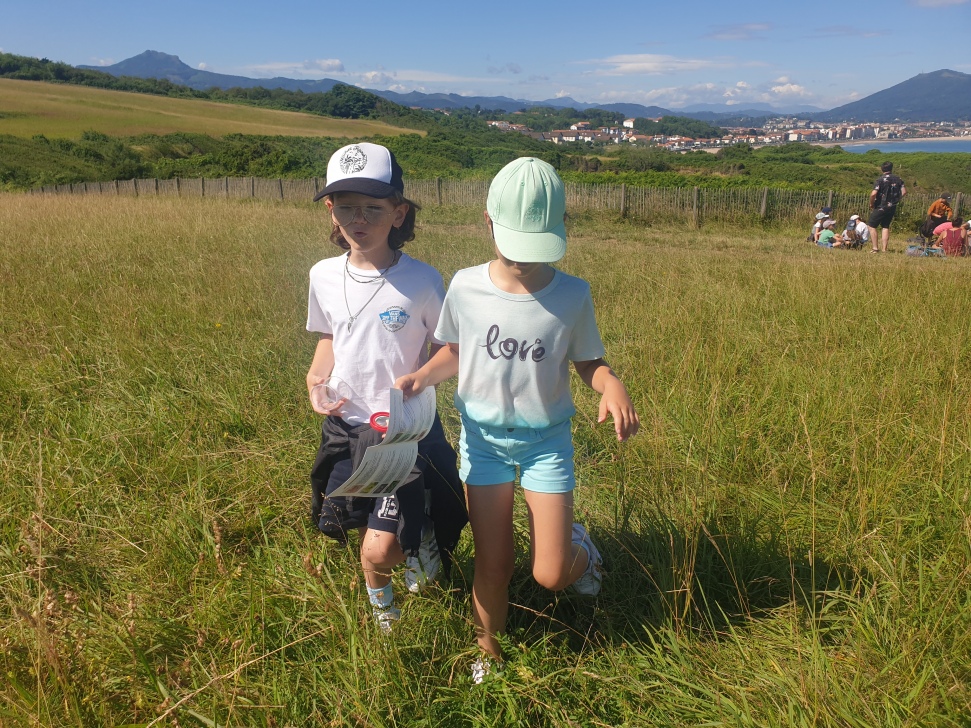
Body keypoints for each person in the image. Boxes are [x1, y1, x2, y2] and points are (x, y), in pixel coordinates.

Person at [395, 157, 639, 681]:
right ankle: (488, 651)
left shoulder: (572, 295)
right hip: (483, 444)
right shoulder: (465, 287)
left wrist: (611, 383)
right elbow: (455, 351)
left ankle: (582, 550)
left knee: (551, 573)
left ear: (562, 228)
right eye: (514, 247)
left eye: (536, 248)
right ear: (487, 221)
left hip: (546, 444)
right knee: (494, 563)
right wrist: (422, 377)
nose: (524, 261)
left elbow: (589, 362)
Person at [306, 142, 467, 631]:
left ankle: (420, 539)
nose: (359, 219)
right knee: (358, 527)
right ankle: (385, 608)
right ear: (330, 210)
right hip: (346, 429)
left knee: (381, 547)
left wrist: (421, 377)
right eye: (346, 206)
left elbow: (453, 349)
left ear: (399, 213)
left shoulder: (422, 281)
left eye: (373, 208)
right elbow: (330, 337)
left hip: (402, 433)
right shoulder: (323, 275)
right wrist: (315, 377)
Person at [867, 161, 907, 253]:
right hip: (892, 206)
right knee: (885, 226)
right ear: (891, 168)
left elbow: (873, 194)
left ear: (882, 169)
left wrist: (871, 203)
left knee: (871, 225)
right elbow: (904, 192)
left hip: (881, 206)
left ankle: (875, 248)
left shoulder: (880, 180)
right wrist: (896, 199)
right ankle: (884, 249)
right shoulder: (898, 179)